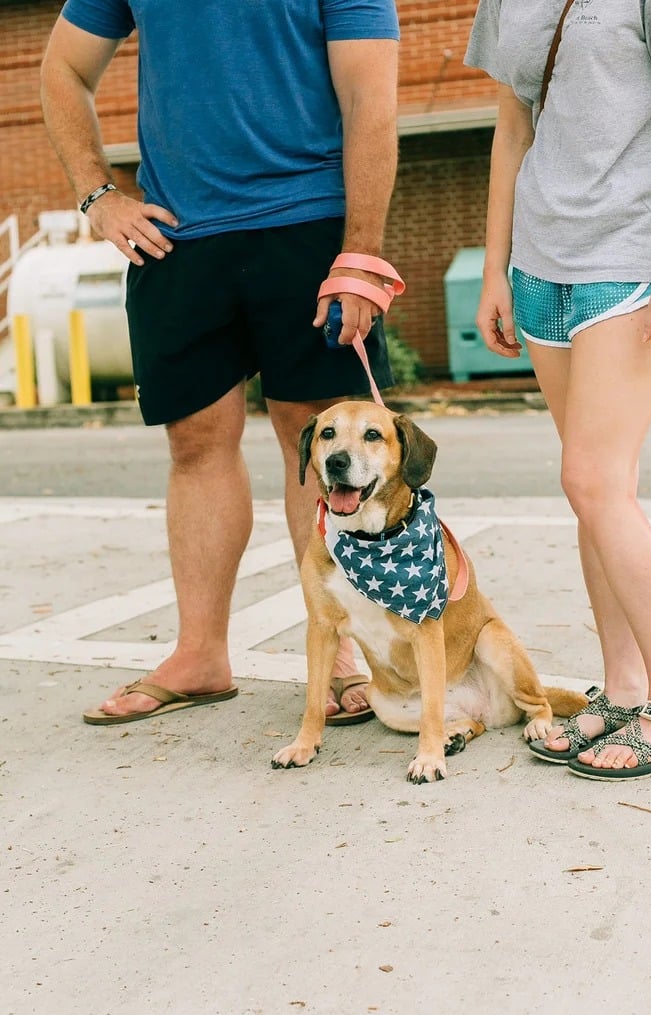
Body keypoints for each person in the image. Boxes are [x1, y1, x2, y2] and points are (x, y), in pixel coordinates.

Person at [40, 0, 400, 725]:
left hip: (309, 223)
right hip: (181, 237)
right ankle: (200, 654)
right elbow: (63, 67)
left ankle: (338, 651)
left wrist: (360, 250)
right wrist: (98, 194)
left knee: (317, 437)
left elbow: (371, 97)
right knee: (196, 442)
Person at [465, 0, 651, 779]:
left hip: (629, 258)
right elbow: (512, 132)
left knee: (594, 479)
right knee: (595, 490)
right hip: (542, 264)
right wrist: (494, 270)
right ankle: (621, 690)